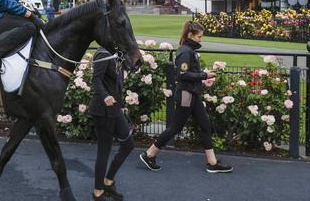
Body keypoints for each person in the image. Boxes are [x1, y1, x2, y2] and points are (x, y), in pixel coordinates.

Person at [139, 21, 232, 173]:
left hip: (192, 94)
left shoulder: (188, 50)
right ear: (190, 35)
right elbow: (182, 75)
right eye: (199, 37)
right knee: (176, 127)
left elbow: (188, 73)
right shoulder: (185, 51)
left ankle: (212, 163)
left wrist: (202, 76)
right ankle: (149, 154)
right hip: (186, 95)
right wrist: (204, 75)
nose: (201, 40)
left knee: (205, 125)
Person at [90, 47, 134, 200]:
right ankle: (98, 191)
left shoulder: (117, 53)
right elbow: (95, 79)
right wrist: (105, 96)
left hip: (114, 109)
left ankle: (108, 182)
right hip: (102, 110)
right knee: (104, 150)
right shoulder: (103, 54)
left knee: (128, 145)